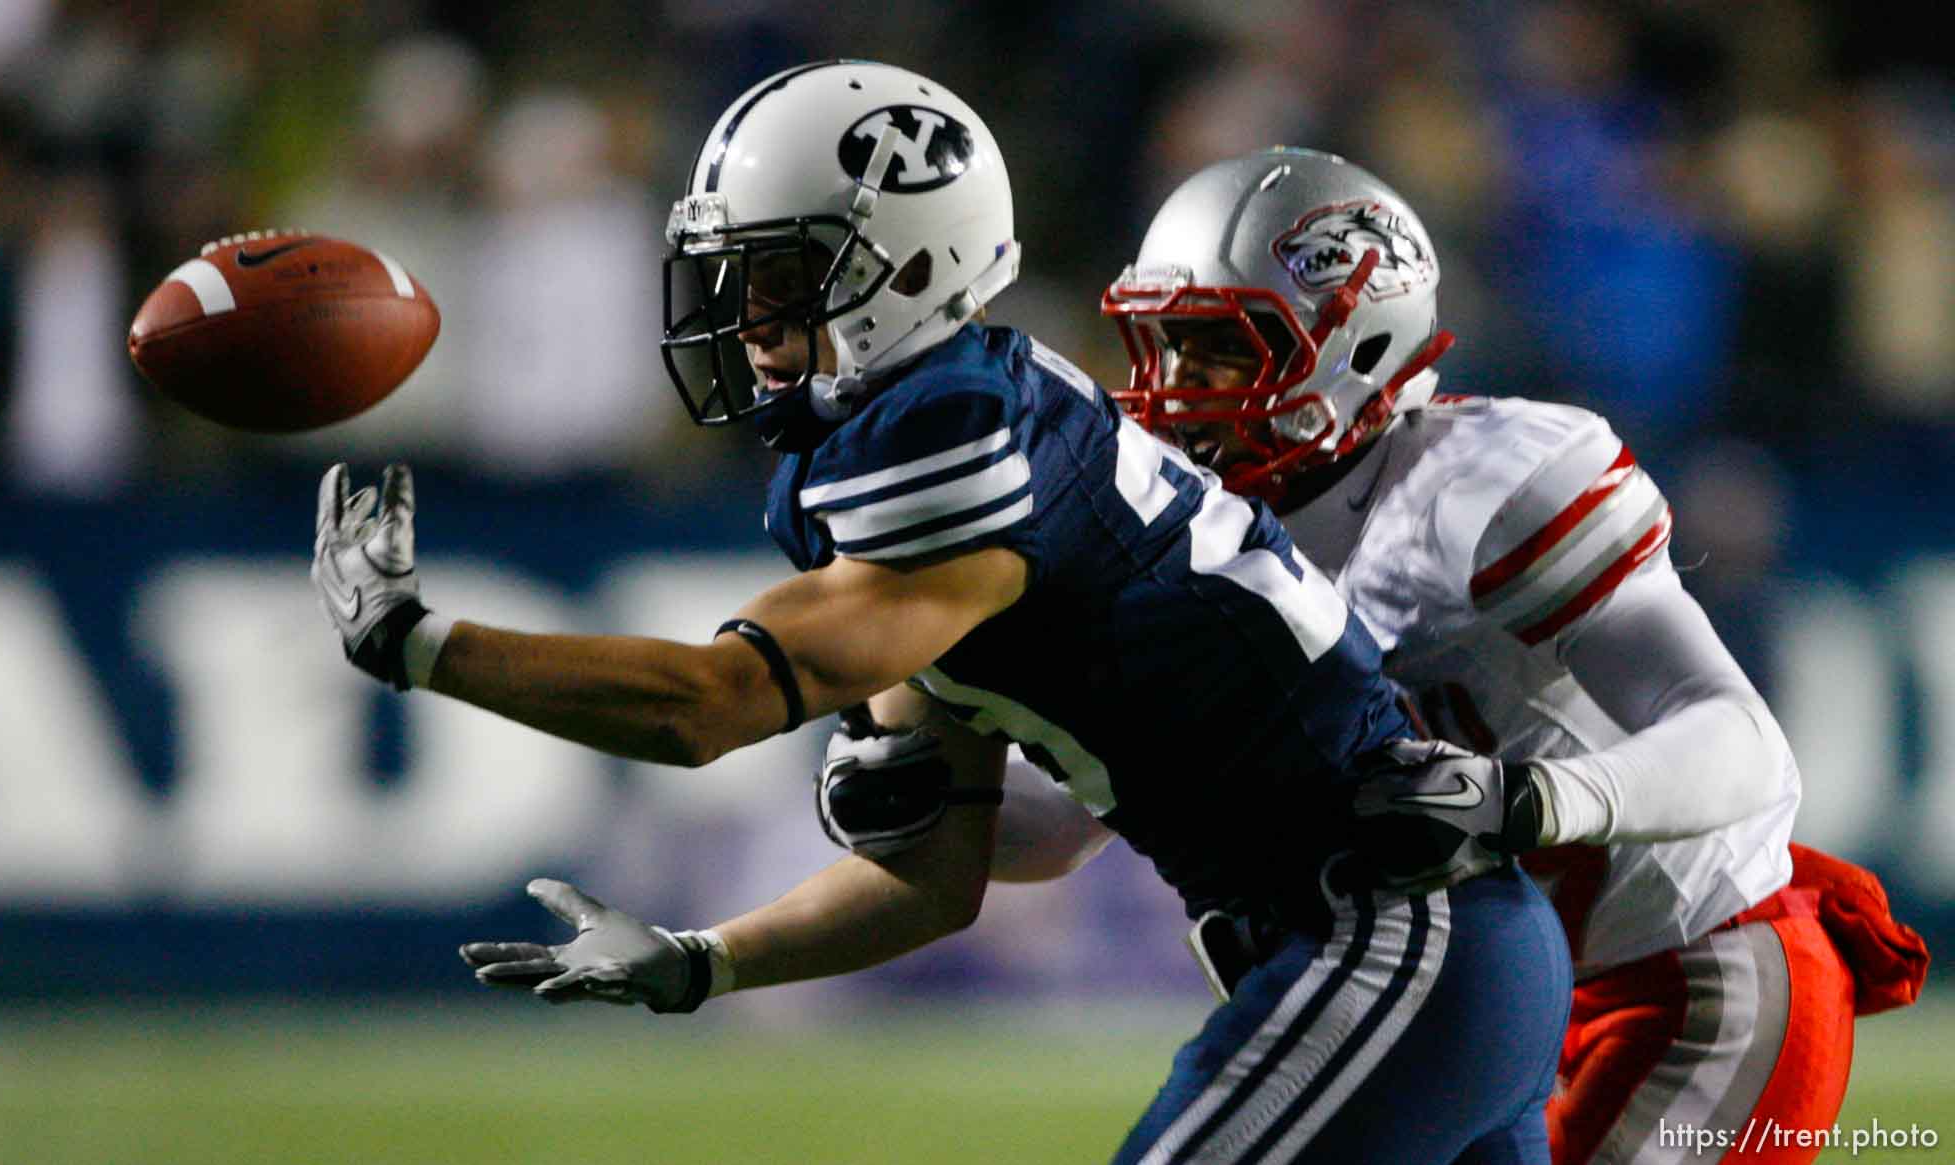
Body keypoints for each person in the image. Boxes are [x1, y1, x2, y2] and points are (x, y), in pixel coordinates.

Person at [310, 65, 1572, 1162]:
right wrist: (707, 960)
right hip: (1424, 943)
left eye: (785, 272)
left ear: (908, 266)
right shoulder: (946, 435)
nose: (747, 315)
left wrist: (422, 643)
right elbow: (925, 879)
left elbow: (710, 705)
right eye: (737, 272)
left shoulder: (953, 448)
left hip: (1395, 928)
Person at [976, 147, 1927, 1164]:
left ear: (1356, 345)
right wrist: (927, 787)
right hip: (1468, 1003)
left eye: (1217, 350)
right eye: (1159, 346)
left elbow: (1741, 742)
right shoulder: (1192, 536)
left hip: (1688, 978)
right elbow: (1064, 825)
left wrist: (1524, 798)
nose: (1171, 389)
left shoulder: (1475, 488)